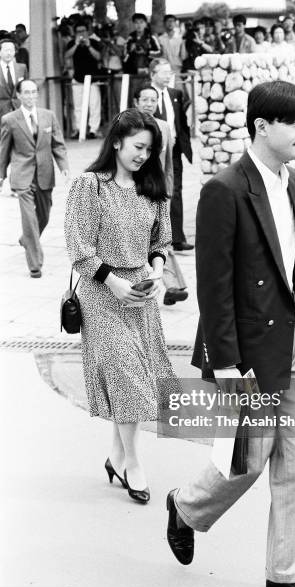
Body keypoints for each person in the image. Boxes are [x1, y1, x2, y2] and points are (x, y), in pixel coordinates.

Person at [165, 80, 295, 587]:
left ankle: (288, 570)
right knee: (250, 457)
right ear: (262, 126)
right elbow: (214, 286)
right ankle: (187, 507)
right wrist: (225, 359)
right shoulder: (225, 189)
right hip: (250, 347)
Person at [65, 108, 176, 504]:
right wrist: (113, 283)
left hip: (141, 295)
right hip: (101, 294)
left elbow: (161, 241)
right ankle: (133, 463)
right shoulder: (89, 186)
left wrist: (157, 271)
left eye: (149, 150)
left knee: (129, 378)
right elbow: (79, 248)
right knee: (126, 374)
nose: (143, 156)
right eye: (138, 147)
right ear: (116, 142)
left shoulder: (151, 188)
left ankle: (115, 456)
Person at [0, 79, 69, 278]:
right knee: (29, 219)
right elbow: (3, 150)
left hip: (45, 174)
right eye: (26, 93)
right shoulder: (10, 119)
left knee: (44, 215)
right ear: (19, 96)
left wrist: (63, 167)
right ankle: (35, 263)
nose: (30, 96)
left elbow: (58, 145)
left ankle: (26, 239)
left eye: (33, 92)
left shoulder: (49, 116)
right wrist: (1, 175)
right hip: (22, 176)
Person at [134, 83, 188, 306]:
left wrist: (168, 191)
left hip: (157, 192)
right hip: (134, 191)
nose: (149, 104)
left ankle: (171, 286)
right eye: (144, 99)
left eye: (153, 100)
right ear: (136, 102)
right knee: (150, 240)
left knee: (159, 238)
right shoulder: (128, 124)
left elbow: (168, 165)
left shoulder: (165, 127)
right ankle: (169, 284)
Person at [150, 58, 193, 251]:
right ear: (153, 74)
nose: (168, 76)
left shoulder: (176, 94)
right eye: (164, 72)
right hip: (153, 152)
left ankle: (177, 237)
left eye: (170, 72)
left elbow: (181, 123)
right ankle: (154, 237)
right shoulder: (146, 96)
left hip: (174, 151)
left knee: (176, 190)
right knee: (154, 191)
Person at [64, 20, 102, 139]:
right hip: (78, 78)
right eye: (78, 31)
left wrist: (88, 45)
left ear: (88, 31)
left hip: (93, 79)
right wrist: (76, 44)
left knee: (94, 106)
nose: (81, 33)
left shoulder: (94, 42)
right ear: (74, 33)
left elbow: (98, 57)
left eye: (83, 31)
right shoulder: (71, 43)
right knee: (78, 106)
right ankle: (80, 129)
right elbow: (66, 56)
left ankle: (93, 130)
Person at [123, 13, 161, 105]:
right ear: (133, 24)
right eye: (136, 23)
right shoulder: (130, 38)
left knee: (149, 98)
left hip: (148, 73)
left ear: (145, 23)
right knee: (135, 98)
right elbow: (124, 57)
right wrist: (130, 51)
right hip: (134, 73)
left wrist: (146, 51)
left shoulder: (151, 37)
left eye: (141, 22)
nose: (139, 25)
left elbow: (160, 53)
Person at [0, 39, 27, 122]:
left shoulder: (22, 68)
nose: (9, 53)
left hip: (19, 110)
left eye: (11, 50)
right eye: (6, 50)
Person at [159, 14, 183, 81]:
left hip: (177, 69)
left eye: (172, 21)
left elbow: (183, 55)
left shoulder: (180, 38)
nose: (170, 23)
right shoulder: (160, 39)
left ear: (175, 23)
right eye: (168, 21)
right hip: (164, 69)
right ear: (164, 23)